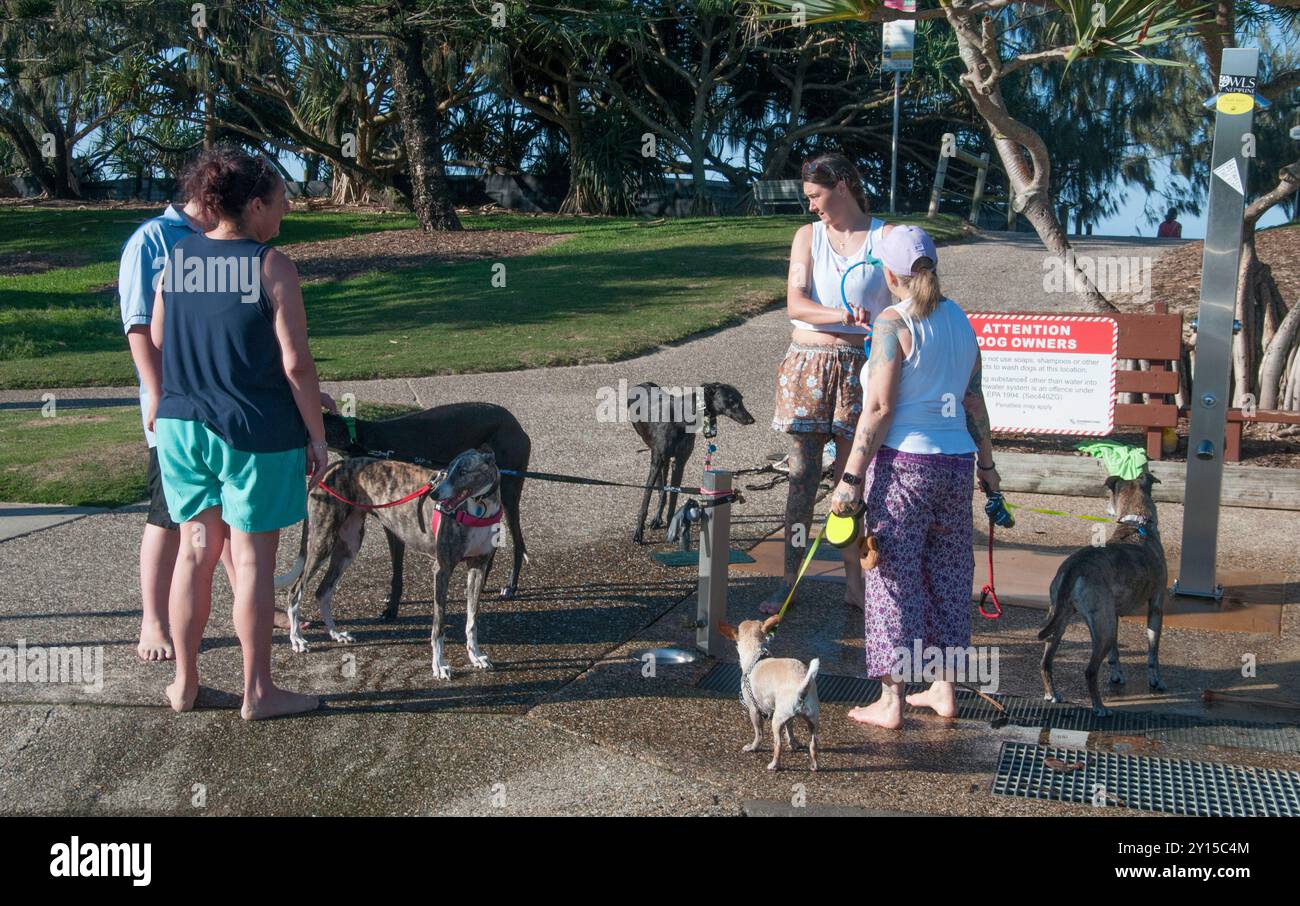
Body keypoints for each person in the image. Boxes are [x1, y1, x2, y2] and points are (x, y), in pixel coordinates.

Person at [147, 146, 326, 719]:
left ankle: (185, 683)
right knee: (250, 562)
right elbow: (296, 363)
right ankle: (258, 692)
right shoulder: (271, 265)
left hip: (181, 425)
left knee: (196, 553)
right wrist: (318, 437)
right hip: (253, 429)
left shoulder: (177, 258)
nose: (284, 214)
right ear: (253, 205)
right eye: (279, 203)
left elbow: (156, 335)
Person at [828, 224, 1000, 728]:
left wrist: (850, 479)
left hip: (904, 466)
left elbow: (879, 407)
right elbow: (974, 402)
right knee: (947, 574)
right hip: (955, 466)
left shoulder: (891, 322)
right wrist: (988, 469)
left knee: (891, 579)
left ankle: (891, 702)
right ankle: (943, 689)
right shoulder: (960, 320)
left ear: (888, 272)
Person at [762, 153, 893, 615]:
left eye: (816, 196)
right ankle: (788, 583)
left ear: (841, 186)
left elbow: (909, 300)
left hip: (861, 366)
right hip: (808, 365)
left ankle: (855, 584)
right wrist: (841, 314)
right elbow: (796, 303)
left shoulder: (884, 237)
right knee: (800, 478)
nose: (812, 206)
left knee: (850, 480)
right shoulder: (808, 236)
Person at [119, 171, 234, 662]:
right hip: (176, 409)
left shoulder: (216, 241)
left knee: (227, 512)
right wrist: (160, 399)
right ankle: (153, 621)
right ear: (210, 194)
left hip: (221, 406)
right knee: (168, 517)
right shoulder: (152, 241)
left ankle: (250, 604)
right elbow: (139, 327)